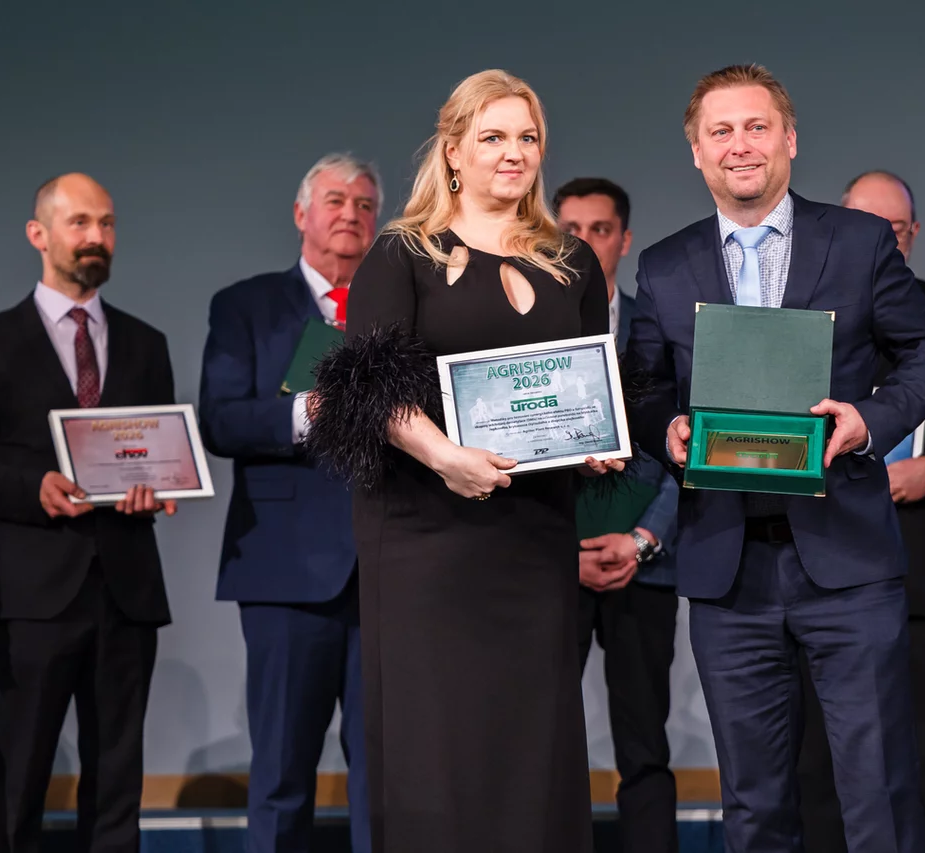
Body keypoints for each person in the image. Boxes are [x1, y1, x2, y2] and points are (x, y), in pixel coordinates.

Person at [627, 64, 925, 853]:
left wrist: (868, 422)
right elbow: (643, 390)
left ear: (790, 139)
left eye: (757, 126)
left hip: (848, 562)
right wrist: (667, 429)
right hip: (728, 569)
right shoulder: (664, 267)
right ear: (696, 151)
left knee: (879, 794)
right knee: (755, 805)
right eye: (721, 131)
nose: (740, 145)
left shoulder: (860, 241)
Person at [303, 69, 621, 853]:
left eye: (527, 137)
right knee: (440, 745)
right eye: (493, 137)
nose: (514, 153)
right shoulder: (401, 253)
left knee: (533, 742)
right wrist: (446, 457)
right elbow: (369, 387)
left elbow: (585, 381)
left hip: (533, 538)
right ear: (453, 151)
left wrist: (592, 445)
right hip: (428, 540)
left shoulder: (571, 261)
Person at [0, 173, 177, 853]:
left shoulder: (146, 343)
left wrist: (155, 486)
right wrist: (31, 488)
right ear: (38, 234)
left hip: (127, 588)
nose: (96, 237)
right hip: (32, 588)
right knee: (19, 774)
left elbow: (156, 450)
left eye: (106, 223)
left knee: (117, 782)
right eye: (79, 223)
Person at [796, 171, 925, 853]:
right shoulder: (805, 317)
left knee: (916, 762)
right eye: (867, 226)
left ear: (913, 236)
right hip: (820, 569)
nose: (883, 239)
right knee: (818, 762)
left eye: (895, 229)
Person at [198, 153, 380, 853]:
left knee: (385, 774)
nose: (350, 214)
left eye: (365, 205)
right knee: (280, 772)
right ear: (302, 214)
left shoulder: (397, 308)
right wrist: (310, 411)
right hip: (284, 571)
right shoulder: (246, 306)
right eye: (335, 200)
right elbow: (221, 421)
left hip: (387, 570)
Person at [554, 177, 681, 853]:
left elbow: (686, 449)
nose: (582, 244)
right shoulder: (527, 341)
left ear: (624, 240)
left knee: (645, 743)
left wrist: (644, 537)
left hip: (644, 565)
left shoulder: (658, 333)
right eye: (568, 231)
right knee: (545, 745)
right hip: (553, 569)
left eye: (598, 230)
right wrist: (559, 552)